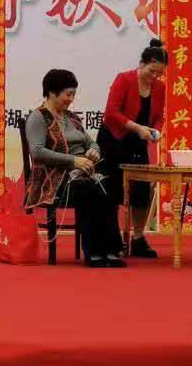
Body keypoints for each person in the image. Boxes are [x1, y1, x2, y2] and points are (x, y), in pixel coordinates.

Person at [24, 69, 124, 268]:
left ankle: (111, 250)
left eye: (73, 95)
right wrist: (74, 161)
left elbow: (91, 143)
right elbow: (37, 151)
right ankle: (95, 252)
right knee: (92, 190)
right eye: (68, 94)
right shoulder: (38, 117)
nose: (71, 99)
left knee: (110, 186)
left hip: (82, 173)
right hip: (55, 179)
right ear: (52, 92)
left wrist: (94, 151)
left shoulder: (72, 118)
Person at [97, 39, 167, 259]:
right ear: (141, 63)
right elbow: (111, 113)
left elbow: (158, 117)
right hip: (114, 140)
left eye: (159, 73)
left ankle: (138, 238)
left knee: (141, 192)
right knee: (112, 190)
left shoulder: (160, 88)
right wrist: (138, 128)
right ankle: (112, 240)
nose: (154, 76)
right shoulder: (124, 79)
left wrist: (156, 132)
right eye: (151, 71)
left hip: (138, 142)